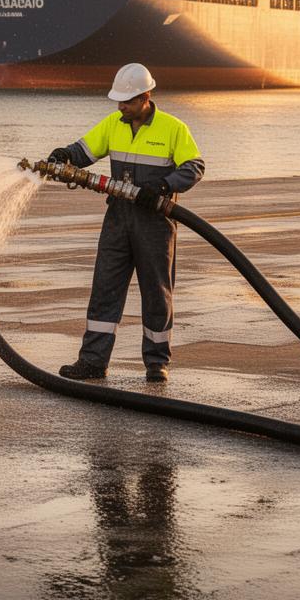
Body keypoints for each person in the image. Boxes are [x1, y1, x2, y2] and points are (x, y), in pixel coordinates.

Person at [47, 63, 204, 383]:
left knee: (157, 292)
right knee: (105, 288)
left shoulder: (173, 128)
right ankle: (92, 361)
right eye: (118, 101)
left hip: (155, 221)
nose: (120, 107)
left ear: (146, 97)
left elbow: (195, 167)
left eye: (127, 102)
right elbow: (84, 150)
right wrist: (64, 154)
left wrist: (163, 187)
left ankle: (157, 362)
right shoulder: (114, 124)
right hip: (118, 217)